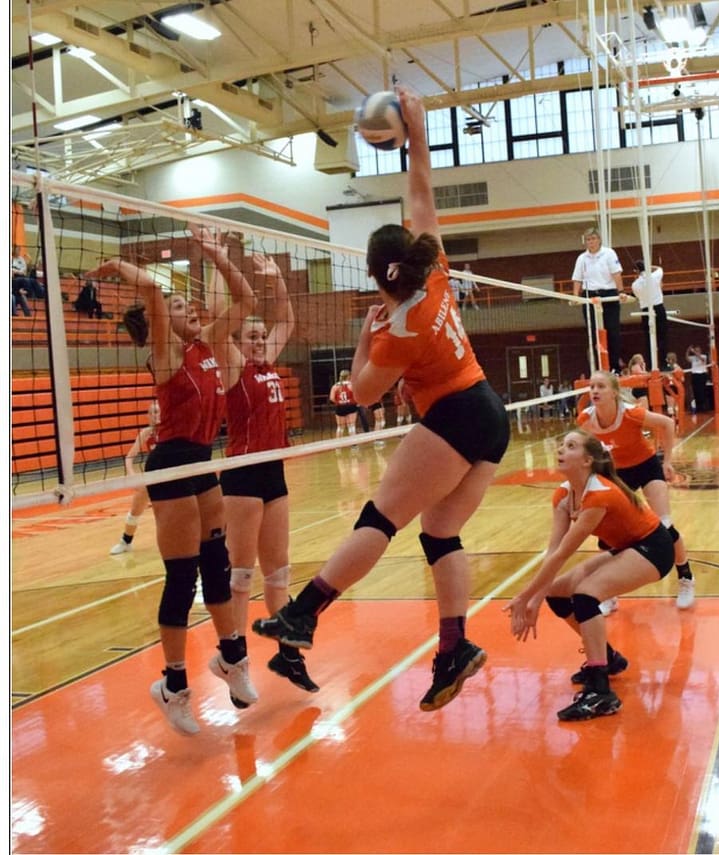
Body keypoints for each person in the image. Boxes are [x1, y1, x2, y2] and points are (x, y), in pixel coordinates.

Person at [253, 87, 511, 714]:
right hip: (488, 414)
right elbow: (421, 193)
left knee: (380, 518)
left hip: (452, 415)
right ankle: (454, 648)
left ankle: (303, 614)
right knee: (440, 532)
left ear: (375, 277)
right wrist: (417, 134)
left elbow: (359, 396)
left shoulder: (398, 331)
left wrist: (360, 344)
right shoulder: (438, 273)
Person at [89, 222, 257, 734]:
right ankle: (173, 686)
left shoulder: (208, 344)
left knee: (218, 567)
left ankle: (232, 658)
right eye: (180, 308)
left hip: (204, 461)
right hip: (172, 465)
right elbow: (155, 293)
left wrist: (217, 254)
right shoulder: (165, 354)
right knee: (183, 576)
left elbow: (246, 300)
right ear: (162, 322)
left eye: (190, 306)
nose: (190, 309)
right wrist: (118, 268)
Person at [505, 430, 675, 721]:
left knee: (585, 595)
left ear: (586, 460)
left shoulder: (599, 495)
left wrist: (524, 597)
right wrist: (535, 596)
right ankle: (608, 659)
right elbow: (552, 552)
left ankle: (601, 691)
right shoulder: (562, 495)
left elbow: (562, 555)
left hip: (655, 548)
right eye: (561, 444)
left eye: (570, 446)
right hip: (629, 547)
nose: (561, 448)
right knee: (557, 593)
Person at [219, 254, 318, 696]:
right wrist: (221, 260)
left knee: (278, 572)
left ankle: (287, 654)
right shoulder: (235, 367)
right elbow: (226, 322)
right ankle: (234, 659)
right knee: (241, 575)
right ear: (240, 341)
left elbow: (288, 319)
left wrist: (277, 279)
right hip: (241, 474)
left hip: (273, 473)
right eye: (252, 336)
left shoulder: (268, 363)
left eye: (263, 335)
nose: (260, 340)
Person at [578, 370, 695, 610]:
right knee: (607, 536)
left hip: (646, 466)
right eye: (592, 387)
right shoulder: (585, 420)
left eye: (600, 387)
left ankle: (686, 578)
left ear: (613, 392)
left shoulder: (631, 414)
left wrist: (668, 461)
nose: (595, 391)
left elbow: (666, 423)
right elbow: (586, 452)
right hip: (617, 474)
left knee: (665, 525)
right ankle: (609, 592)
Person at [109, 401, 160, 555]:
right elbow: (129, 457)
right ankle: (126, 541)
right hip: (152, 476)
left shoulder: (171, 432)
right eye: (151, 413)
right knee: (135, 510)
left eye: (157, 412)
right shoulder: (146, 433)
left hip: (171, 476)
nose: (154, 416)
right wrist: (132, 475)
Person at [572, 227, 624, 371]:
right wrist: (575, 296)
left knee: (612, 332)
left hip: (609, 295)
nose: (591, 242)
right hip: (590, 296)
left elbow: (616, 274)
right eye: (588, 240)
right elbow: (577, 279)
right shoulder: (582, 258)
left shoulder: (609, 253)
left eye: (593, 239)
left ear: (599, 239)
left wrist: (621, 292)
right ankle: (598, 368)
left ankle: (614, 368)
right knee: (593, 335)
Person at [630, 260, 668, 371]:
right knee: (662, 337)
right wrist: (649, 266)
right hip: (658, 308)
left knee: (648, 339)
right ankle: (663, 364)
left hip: (646, 311)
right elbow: (659, 268)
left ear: (636, 271)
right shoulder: (655, 276)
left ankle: (651, 365)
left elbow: (638, 296)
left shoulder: (635, 285)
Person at [329, 369, 358, 440]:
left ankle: (338, 446)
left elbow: (332, 398)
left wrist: (339, 402)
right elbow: (357, 396)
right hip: (351, 406)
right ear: (349, 376)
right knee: (351, 426)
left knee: (340, 427)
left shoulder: (335, 386)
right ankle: (354, 445)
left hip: (340, 407)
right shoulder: (352, 385)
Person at [686, 344, 710, 412]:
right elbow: (687, 358)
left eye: (698, 350)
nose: (696, 351)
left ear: (700, 351)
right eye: (696, 350)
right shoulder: (693, 358)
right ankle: (698, 407)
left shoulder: (704, 356)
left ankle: (704, 407)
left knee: (702, 391)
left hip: (702, 375)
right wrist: (688, 350)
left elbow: (702, 359)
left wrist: (693, 351)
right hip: (695, 375)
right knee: (695, 391)